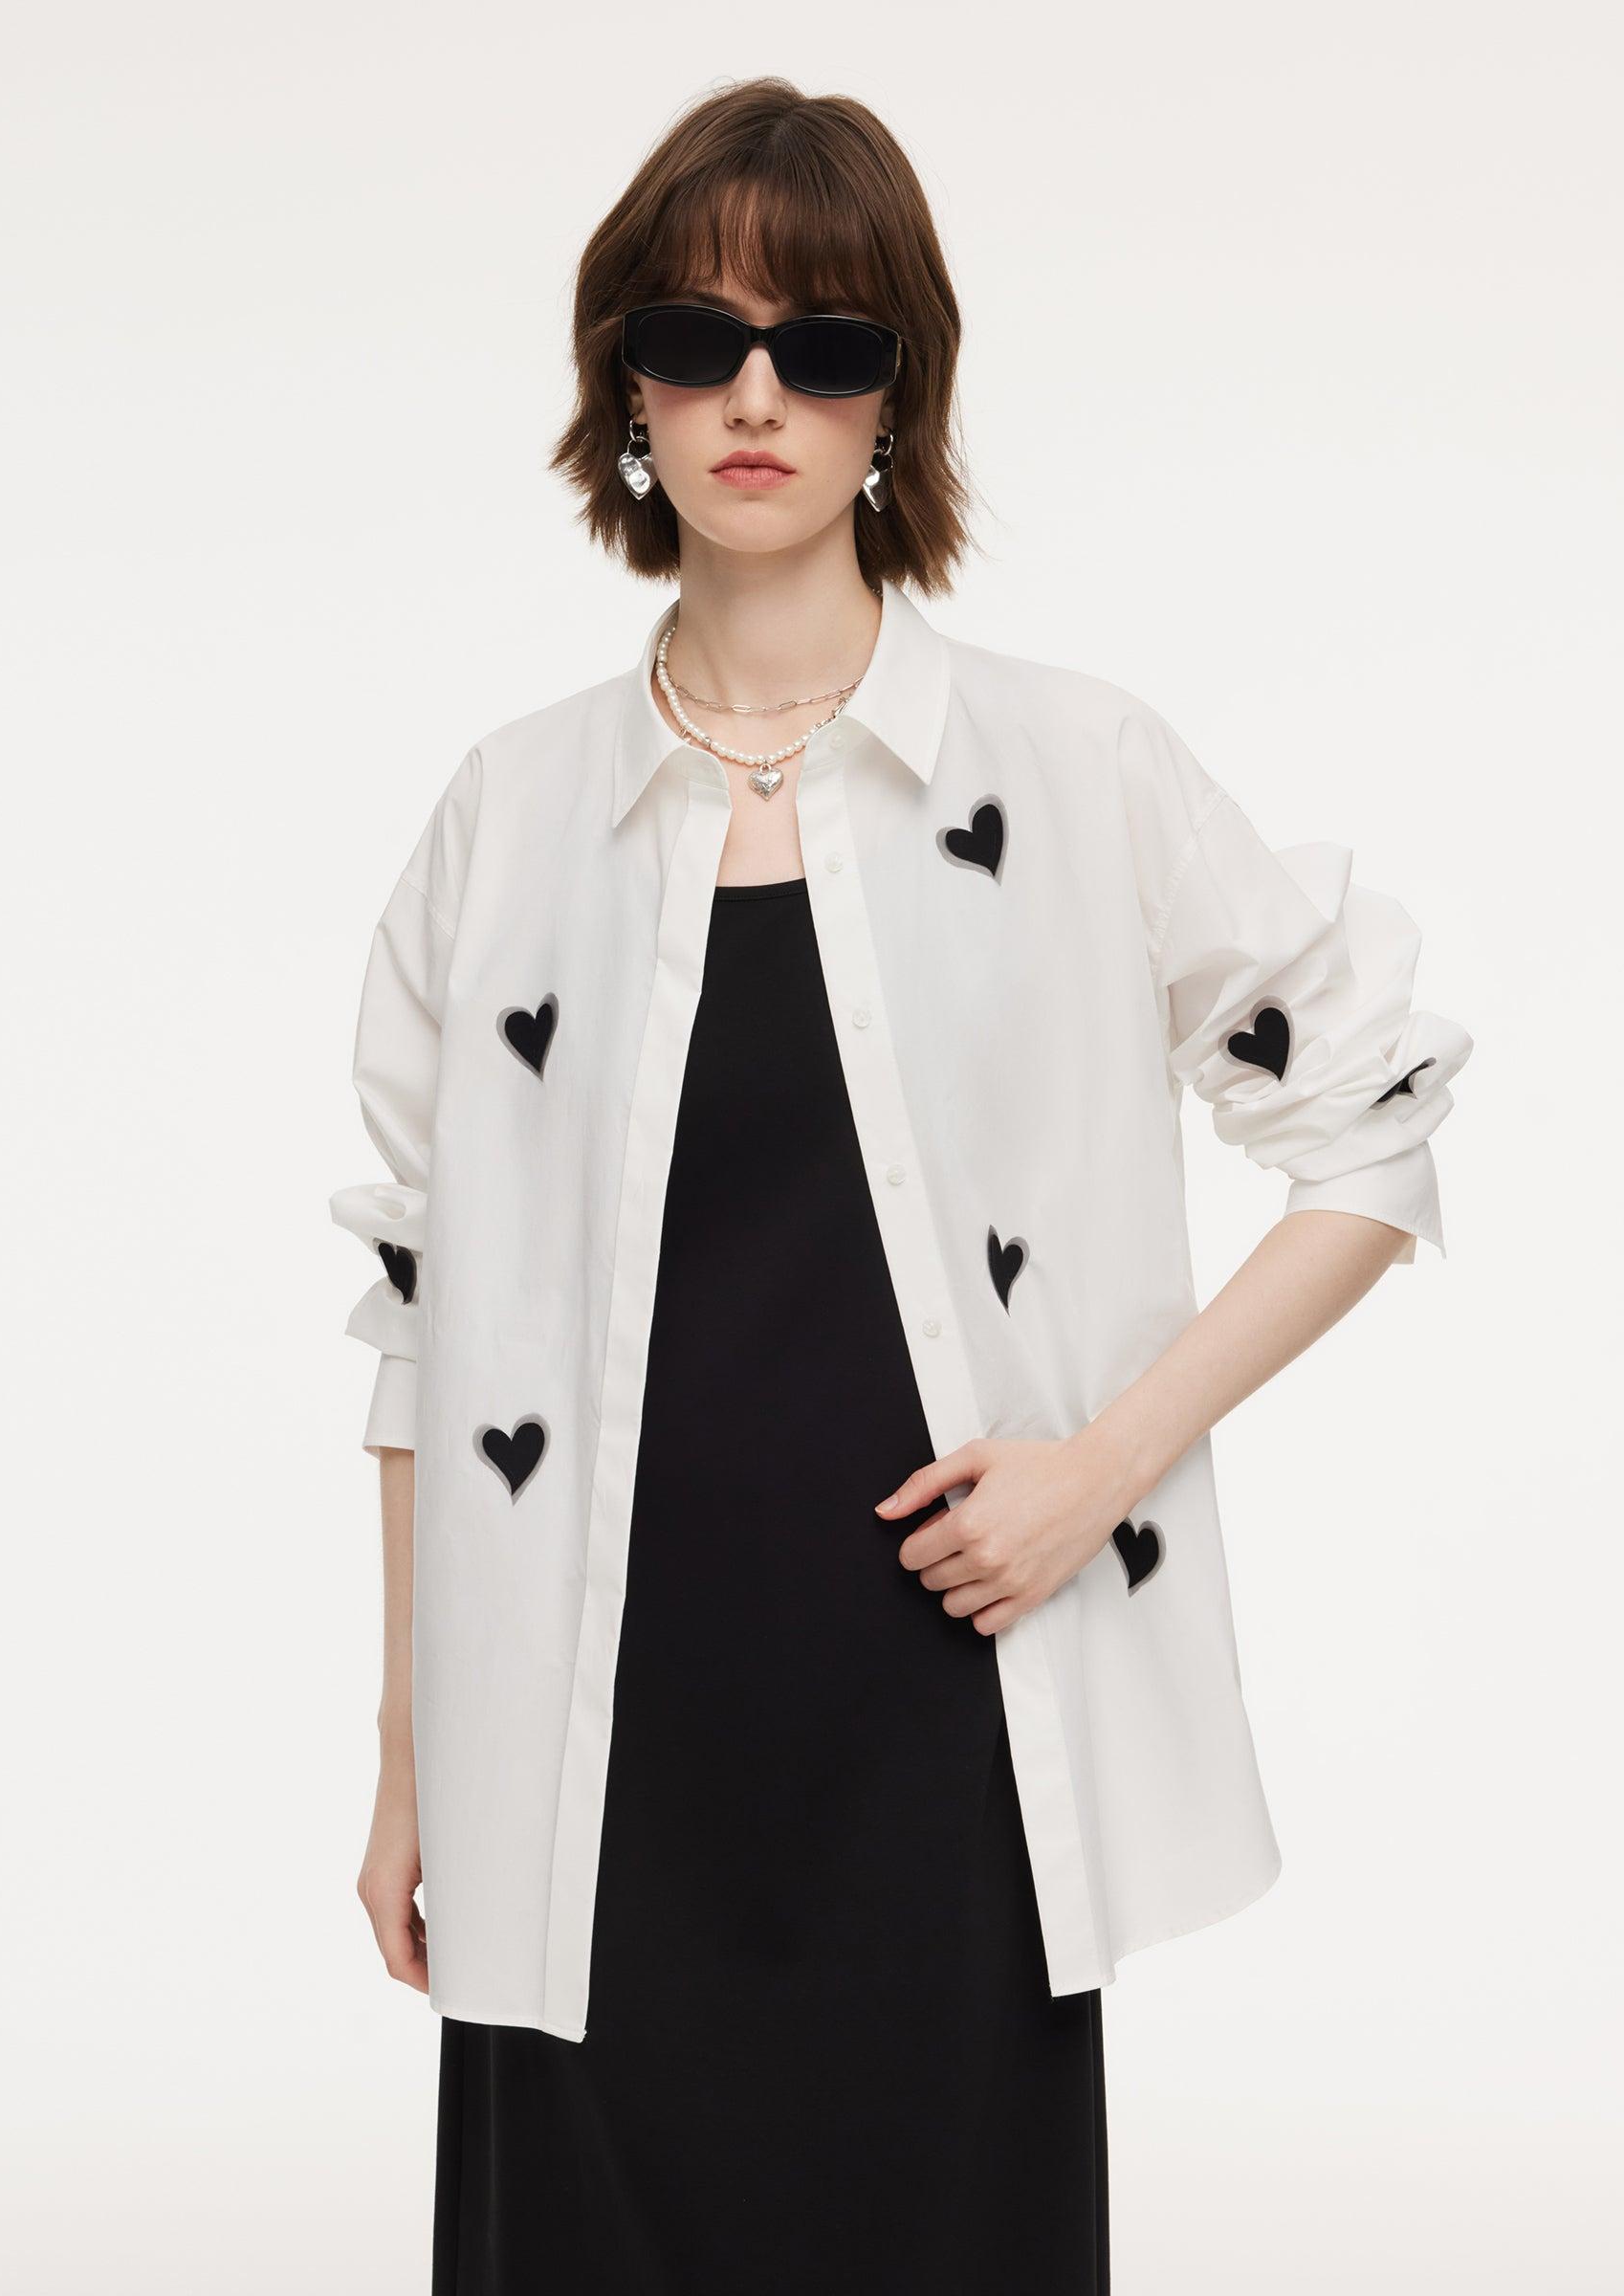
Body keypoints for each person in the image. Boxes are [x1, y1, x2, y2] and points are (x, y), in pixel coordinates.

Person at [333, 77, 1472, 2296]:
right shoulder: (509, 817)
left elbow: (1372, 1126)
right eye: (699, 339)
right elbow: (417, 1309)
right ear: (628, 391)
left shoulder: (1074, 771)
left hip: (953, 1728)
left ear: (897, 401)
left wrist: (1101, 1467)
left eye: (825, 344)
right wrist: (407, 1757)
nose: (758, 397)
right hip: (588, 1744)